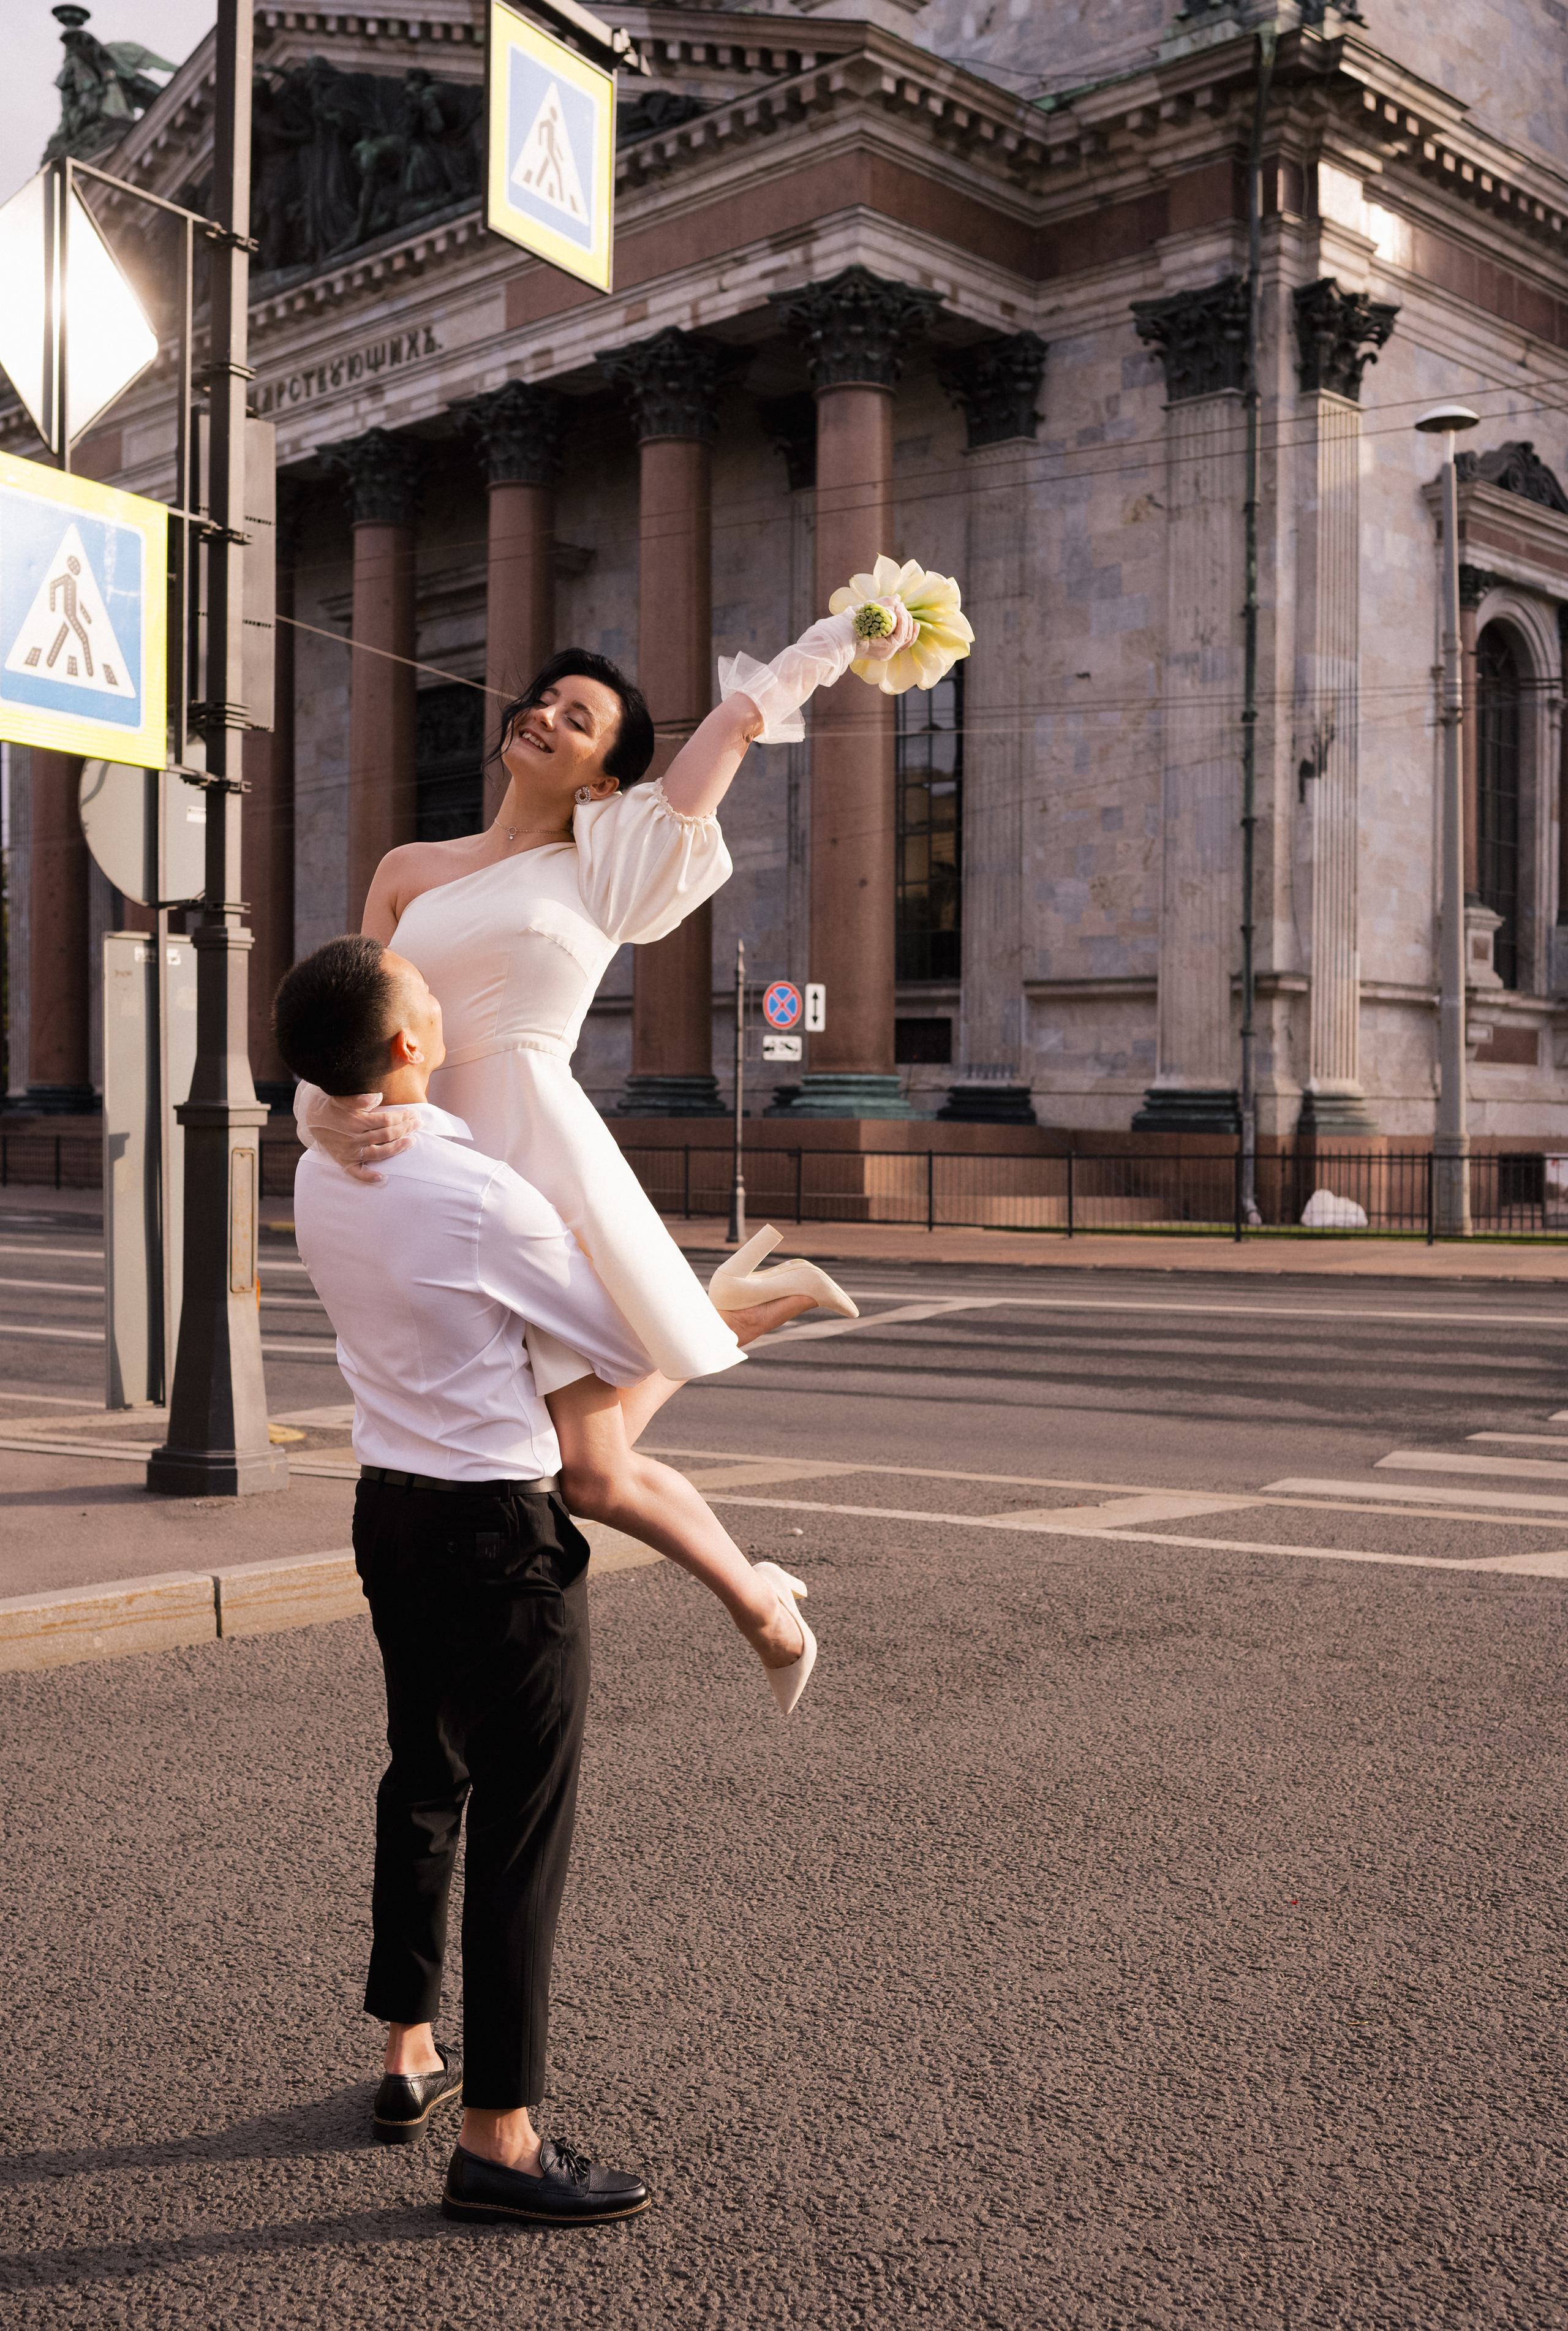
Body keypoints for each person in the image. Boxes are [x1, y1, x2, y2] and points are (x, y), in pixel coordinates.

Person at [274, 934, 816, 2225]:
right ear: (410, 1045)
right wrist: (715, 1311)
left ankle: (406, 2051)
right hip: (493, 1541)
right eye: (425, 999)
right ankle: (499, 2140)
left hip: (386, 1514)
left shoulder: (316, 1169)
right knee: (521, 1835)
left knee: (423, 1778)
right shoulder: (484, 1197)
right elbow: (624, 1347)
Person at [294, 607, 913, 1688]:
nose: (544, 714)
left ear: (597, 777)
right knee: (579, 1467)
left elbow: (724, 735)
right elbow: (354, 1021)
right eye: (544, 698)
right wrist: (329, 1120)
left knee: (584, 1471)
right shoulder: (407, 866)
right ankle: (765, 1579)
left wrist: (830, 648)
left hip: (536, 1155)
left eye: (578, 718)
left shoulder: (604, 863)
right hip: (432, 1161)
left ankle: (766, 1608)